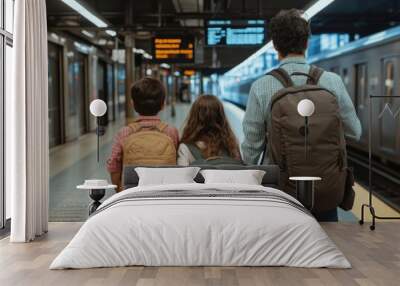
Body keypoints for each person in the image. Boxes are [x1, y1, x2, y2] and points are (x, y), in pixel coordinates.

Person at [241, 9, 362, 221]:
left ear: (276, 46)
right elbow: (355, 132)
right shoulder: (332, 82)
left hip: (281, 190)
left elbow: (252, 148)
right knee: (326, 245)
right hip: (325, 188)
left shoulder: (261, 86)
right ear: (306, 43)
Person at [107, 77, 179, 191]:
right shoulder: (171, 132)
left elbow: (114, 166)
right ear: (163, 105)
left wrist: (120, 190)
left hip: (132, 194)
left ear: (133, 104)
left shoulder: (125, 133)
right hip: (165, 192)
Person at [177, 95, 242, 166]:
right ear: (221, 118)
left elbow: (183, 175)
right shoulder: (231, 146)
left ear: (194, 119)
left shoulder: (185, 148)